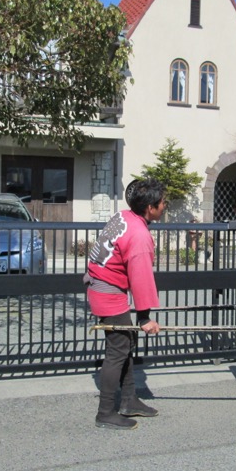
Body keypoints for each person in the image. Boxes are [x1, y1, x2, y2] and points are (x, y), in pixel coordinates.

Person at [84, 179, 165, 430]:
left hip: (100, 284)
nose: (165, 206)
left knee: (125, 343)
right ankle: (105, 412)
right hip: (108, 291)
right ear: (150, 208)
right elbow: (141, 279)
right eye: (162, 202)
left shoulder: (124, 216)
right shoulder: (139, 235)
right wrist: (144, 318)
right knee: (117, 351)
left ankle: (129, 400)